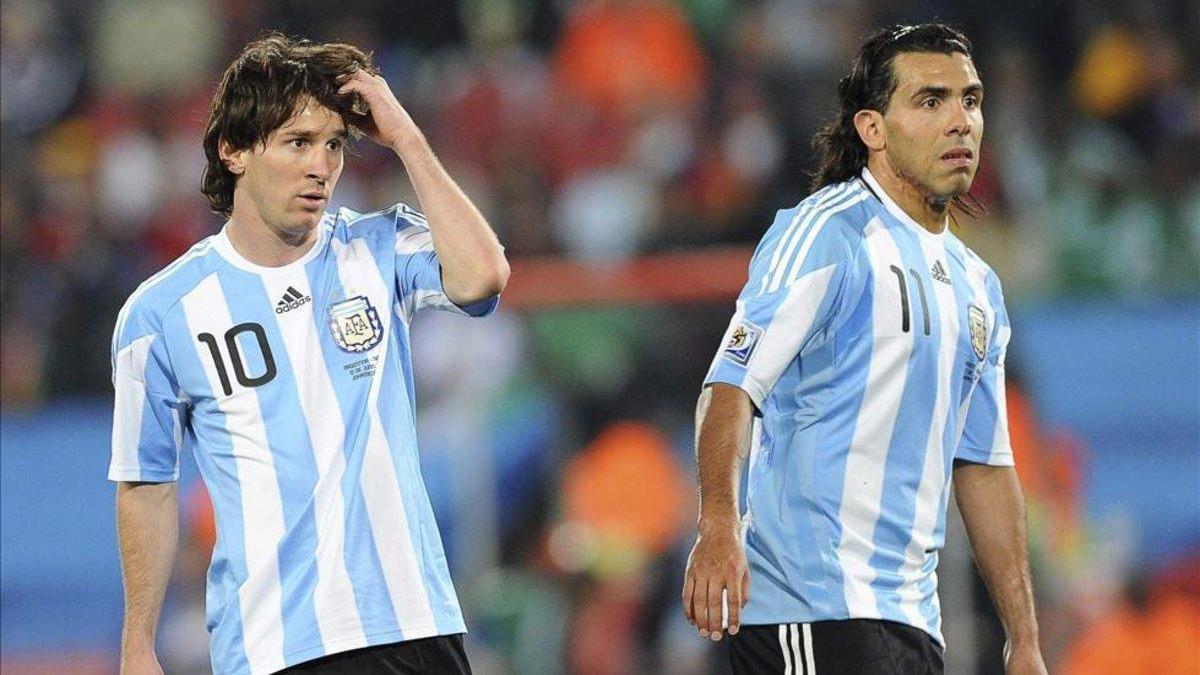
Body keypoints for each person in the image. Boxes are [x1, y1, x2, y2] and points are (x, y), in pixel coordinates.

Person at [109, 34, 508, 675]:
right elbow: (145, 484)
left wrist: (405, 138)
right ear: (233, 150)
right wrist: (137, 645)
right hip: (274, 647)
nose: (321, 165)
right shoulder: (160, 316)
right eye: (298, 143)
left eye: (334, 145)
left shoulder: (377, 246)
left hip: (412, 621)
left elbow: (482, 278)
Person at [681, 24, 1048, 675]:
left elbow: (985, 466)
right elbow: (731, 385)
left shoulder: (977, 286)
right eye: (931, 101)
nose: (960, 121)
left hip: (910, 622)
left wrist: (1023, 639)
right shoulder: (827, 233)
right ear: (873, 128)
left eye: (971, 99)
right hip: (809, 611)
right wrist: (716, 522)